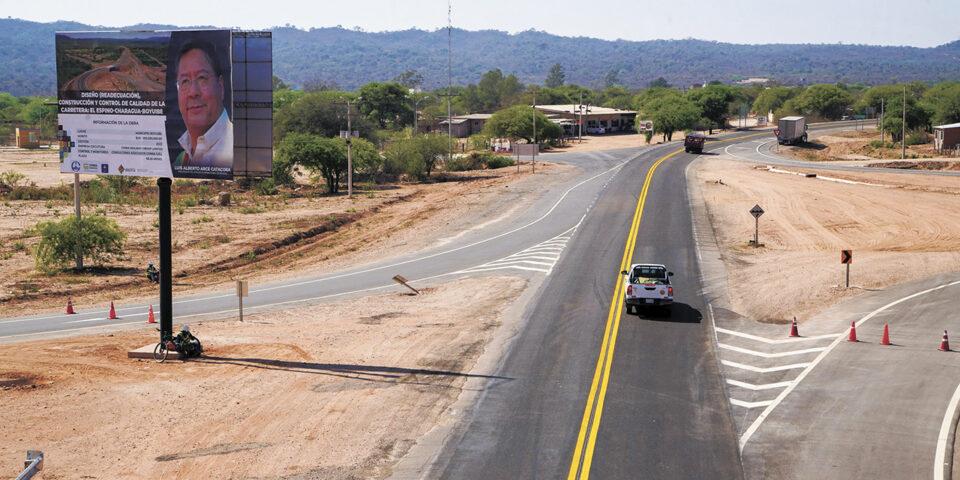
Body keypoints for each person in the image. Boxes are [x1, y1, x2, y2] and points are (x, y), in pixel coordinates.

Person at [173, 40, 233, 170]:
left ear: (221, 86)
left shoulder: (237, 151)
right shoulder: (181, 160)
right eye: (185, 81)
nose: (193, 92)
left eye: (202, 78)